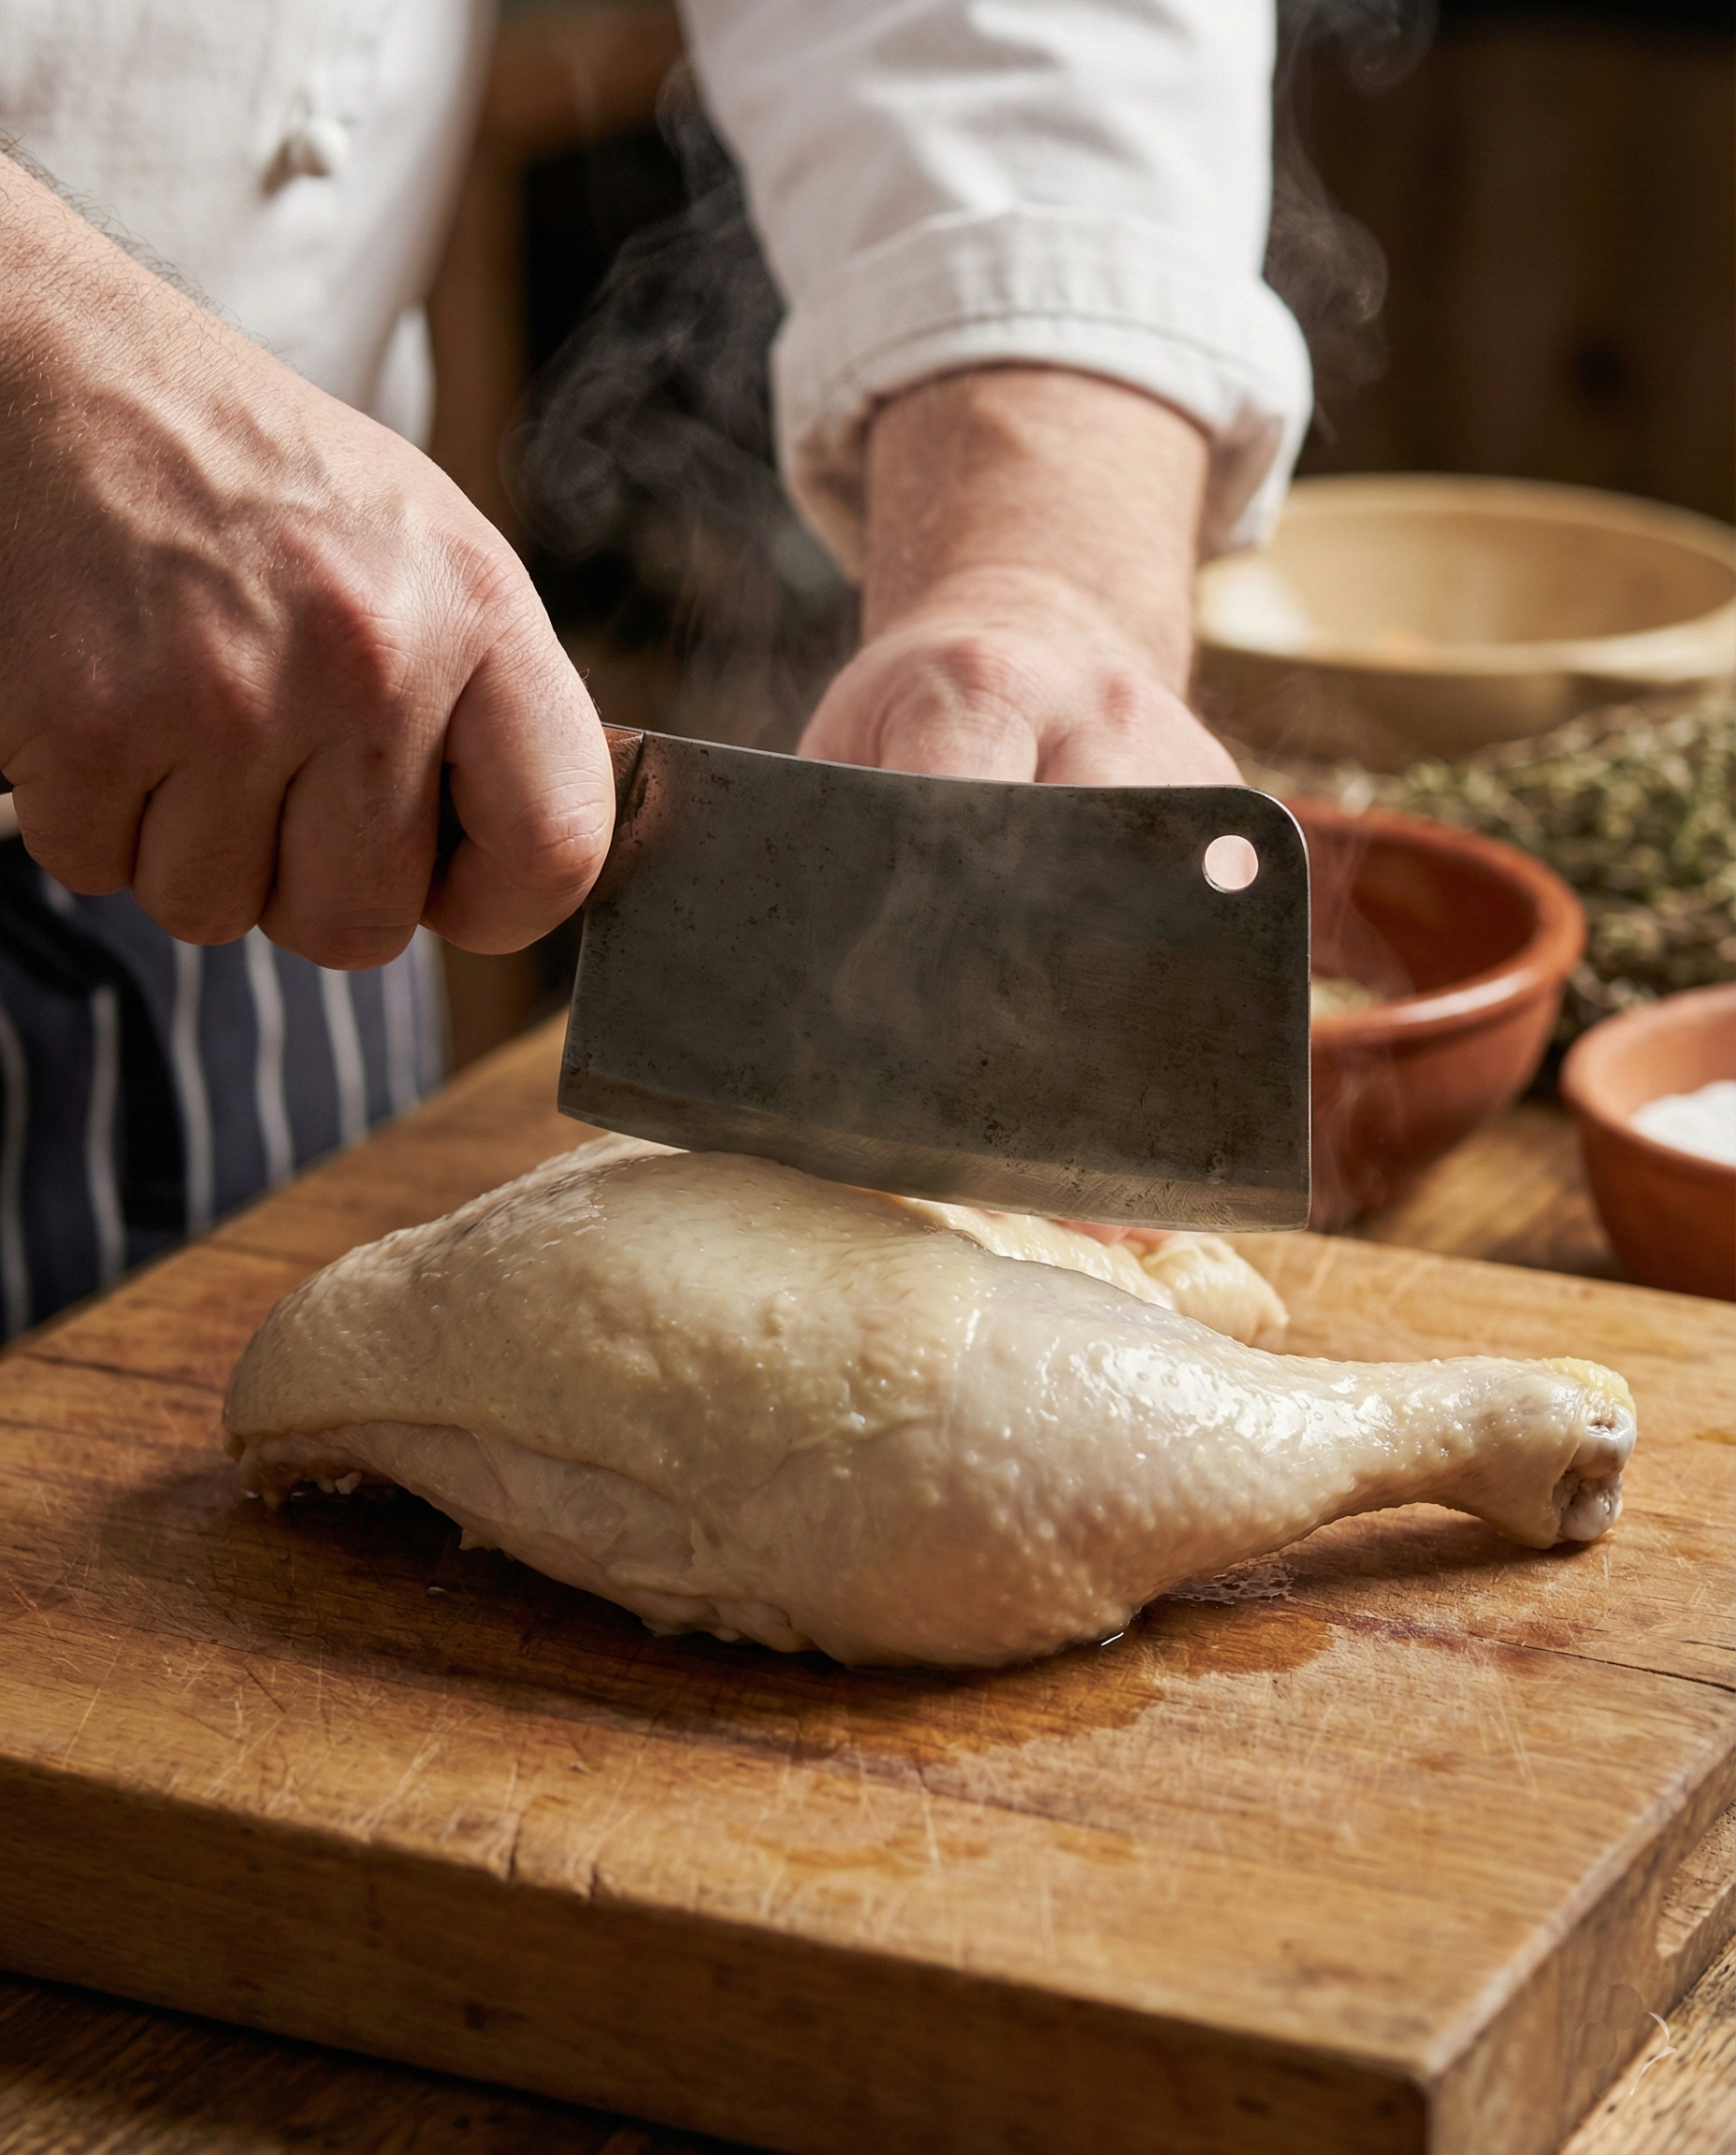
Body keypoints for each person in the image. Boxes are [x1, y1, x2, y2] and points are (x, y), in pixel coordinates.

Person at [0, 0, 1310, 1338]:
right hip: (269, 666)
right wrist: (40, 376)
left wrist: (1043, 561)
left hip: (280, 788)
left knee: (238, 1414)